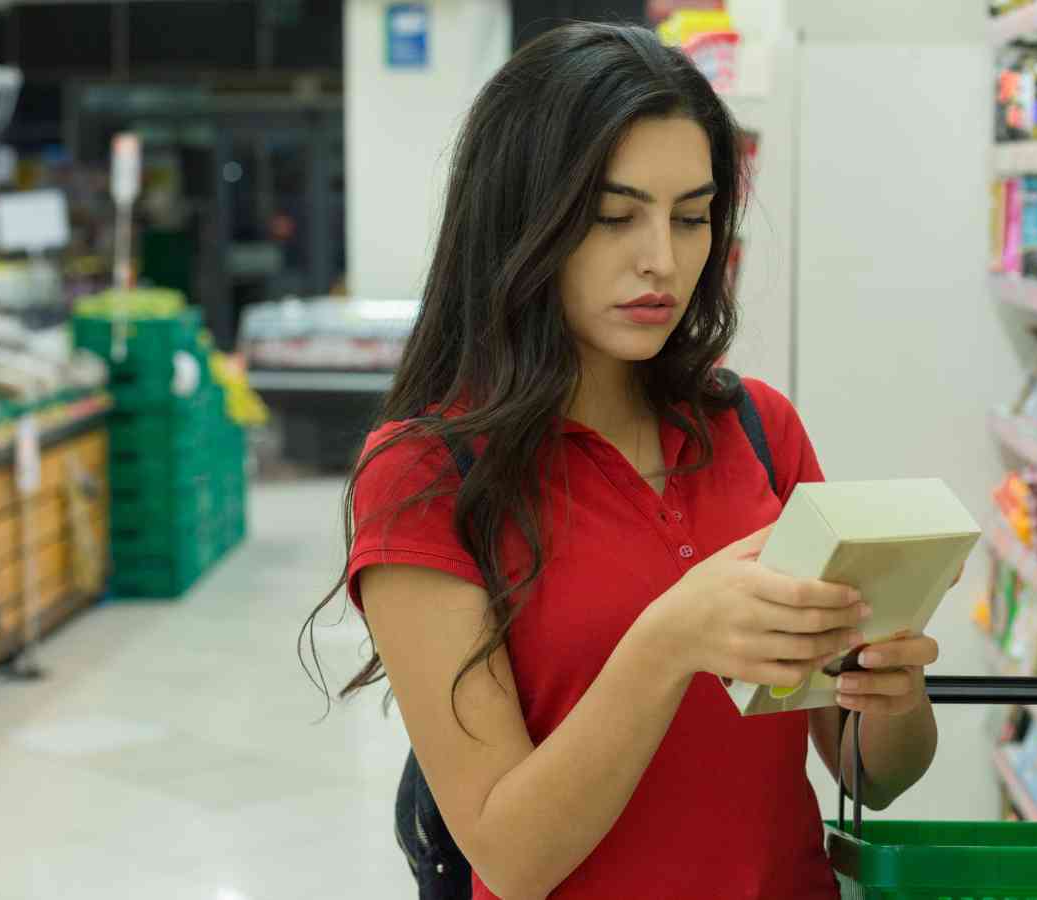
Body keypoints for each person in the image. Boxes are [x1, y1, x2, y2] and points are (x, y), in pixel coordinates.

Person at [303, 22, 940, 900]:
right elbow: (512, 857)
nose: (662, 261)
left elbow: (872, 777)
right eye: (614, 217)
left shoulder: (757, 429)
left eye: (692, 218)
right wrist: (668, 641)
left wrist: (892, 699)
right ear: (521, 219)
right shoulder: (425, 475)